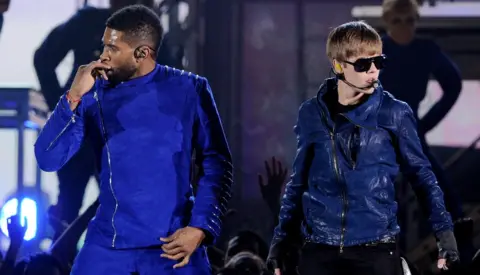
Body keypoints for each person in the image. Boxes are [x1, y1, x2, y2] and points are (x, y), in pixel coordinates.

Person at [34, 5, 232, 275]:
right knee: (70, 204)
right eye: (103, 46)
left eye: (111, 49)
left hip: (172, 243)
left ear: (142, 54)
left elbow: (217, 161)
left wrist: (200, 227)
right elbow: (47, 157)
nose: (102, 57)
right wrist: (71, 96)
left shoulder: (190, 89)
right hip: (108, 245)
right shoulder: (93, 95)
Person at [267, 21, 459, 275]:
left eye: (378, 62)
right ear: (337, 65)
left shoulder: (395, 113)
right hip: (320, 251)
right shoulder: (311, 114)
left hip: (376, 250)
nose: (373, 72)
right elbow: (298, 182)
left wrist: (445, 236)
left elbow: (423, 178)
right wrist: (280, 242)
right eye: (362, 65)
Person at [380, 0, 475, 262]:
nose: (404, 27)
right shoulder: (374, 51)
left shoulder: (425, 50)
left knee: (444, 198)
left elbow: (453, 84)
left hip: (411, 134)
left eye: (410, 20)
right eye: (398, 21)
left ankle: (464, 257)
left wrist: (425, 124)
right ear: (387, 21)